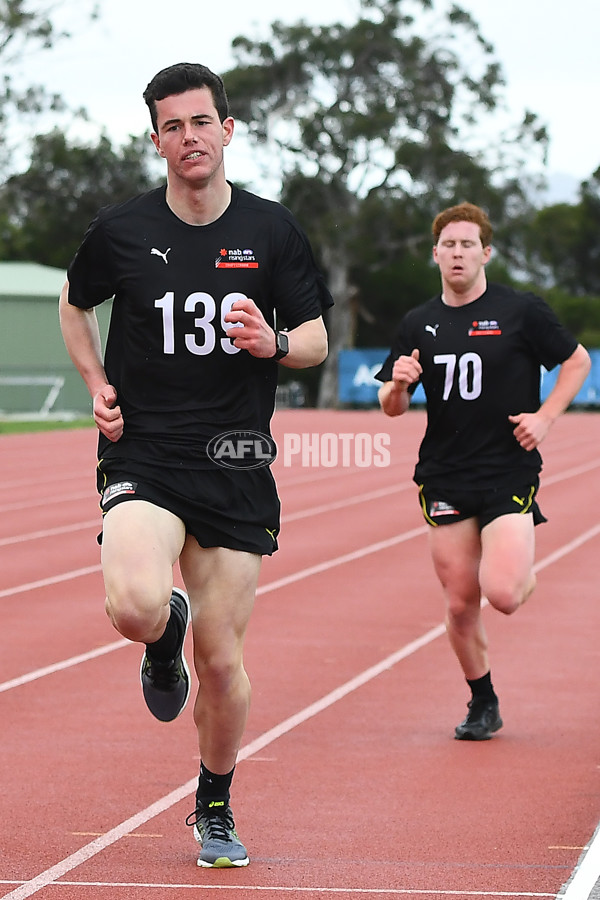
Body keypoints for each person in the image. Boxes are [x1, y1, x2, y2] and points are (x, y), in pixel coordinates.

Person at [59, 62, 332, 867]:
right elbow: (75, 305)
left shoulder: (274, 231)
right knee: (139, 604)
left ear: (228, 130)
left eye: (201, 122)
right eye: (172, 126)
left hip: (235, 462)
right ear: (156, 141)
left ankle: (213, 804)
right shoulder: (121, 230)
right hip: (143, 449)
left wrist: (273, 343)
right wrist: (96, 383)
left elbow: (315, 341)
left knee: (220, 662)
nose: (190, 138)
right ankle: (160, 629)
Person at [376, 202, 590, 741]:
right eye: (448, 245)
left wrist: (545, 417)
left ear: (485, 252)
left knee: (505, 595)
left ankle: (521, 570)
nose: (457, 253)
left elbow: (578, 360)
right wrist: (399, 385)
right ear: (435, 254)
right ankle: (483, 700)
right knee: (458, 602)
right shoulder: (417, 322)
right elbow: (391, 406)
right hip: (445, 476)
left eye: (467, 244)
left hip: (508, 471)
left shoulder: (521, 311)